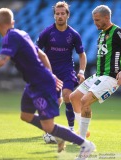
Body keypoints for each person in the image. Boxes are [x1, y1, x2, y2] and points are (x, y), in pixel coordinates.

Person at [0, 8, 95, 159]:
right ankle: (59, 135)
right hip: (35, 82)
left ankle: (85, 144)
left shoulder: (9, 37)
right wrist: (51, 74)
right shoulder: (21, 33)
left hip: (40, 83)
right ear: (12, 22)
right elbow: (43, 54)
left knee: (48, 126)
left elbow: (1, 61)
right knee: (26, 115)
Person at [69, 5, 121, 139]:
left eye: (97, 20)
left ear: (106, 18)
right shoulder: (101, 34)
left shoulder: (118, 32)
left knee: (85, 101)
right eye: (94, 20)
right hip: (98, 75)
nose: (95, 23)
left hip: (111, 77)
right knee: (74, 97)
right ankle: (83, 130)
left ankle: (82, 139)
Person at [36, 1, 87, 137]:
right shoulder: (47, 32)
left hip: (67, 70)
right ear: (54, 16)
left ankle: (70, 129)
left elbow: (82, 55)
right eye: (57, 14)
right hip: (50, 71)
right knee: (55, 101)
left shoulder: (74, 35)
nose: (60, 16)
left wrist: (81, 72)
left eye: (62, 13)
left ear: (67, 15)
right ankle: (47, 127)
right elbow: (36, 50)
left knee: (67, 95)